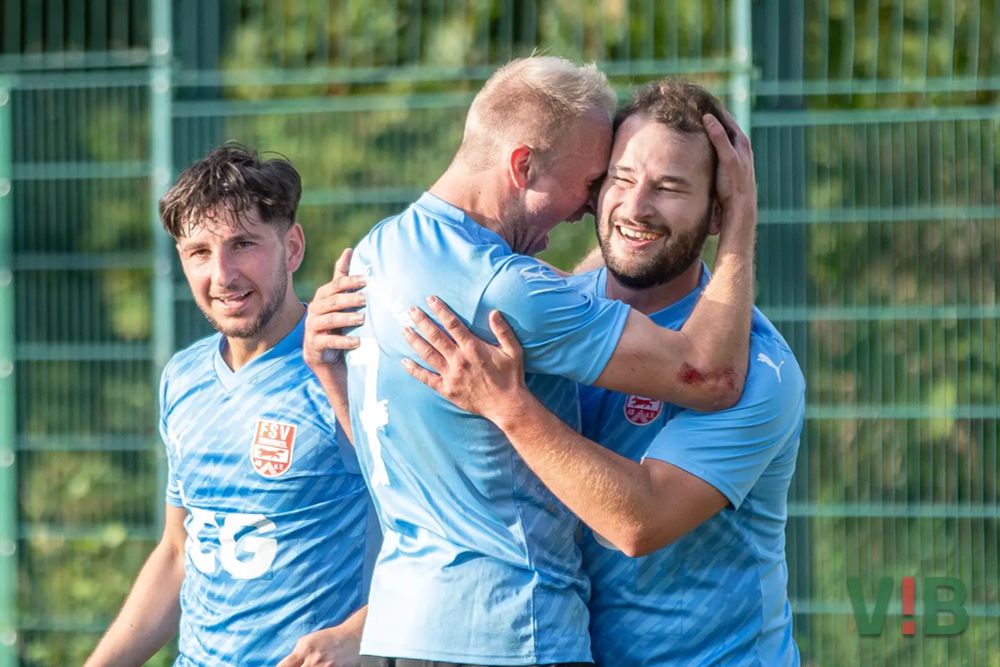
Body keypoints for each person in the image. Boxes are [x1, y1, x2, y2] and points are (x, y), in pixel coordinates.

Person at [304, 58, 758, 667]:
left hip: (406, 633)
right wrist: (738, 223)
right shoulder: (501, 288)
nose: (588, 205)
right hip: (513, 632)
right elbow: (709, 374)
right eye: (595, 179)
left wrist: (330, 373)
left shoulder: (374, 254)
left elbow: (412, 450)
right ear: (524, 166)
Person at [400, 81, 804, 666]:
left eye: (668, 188)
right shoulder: (554, 309)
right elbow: (458, 498)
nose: (636, 206)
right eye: (621, 178)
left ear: (717, 212)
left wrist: (509, 407)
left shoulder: (760, 371)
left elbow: (637, 522)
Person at [86, 144, 374, 667]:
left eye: (242, 244)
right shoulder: (183, 375)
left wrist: (362, 631)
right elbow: (178, 553)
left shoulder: (345, 368)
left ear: (292, 247)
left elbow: (433, 537)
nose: (222, 274)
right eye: (199, 252)